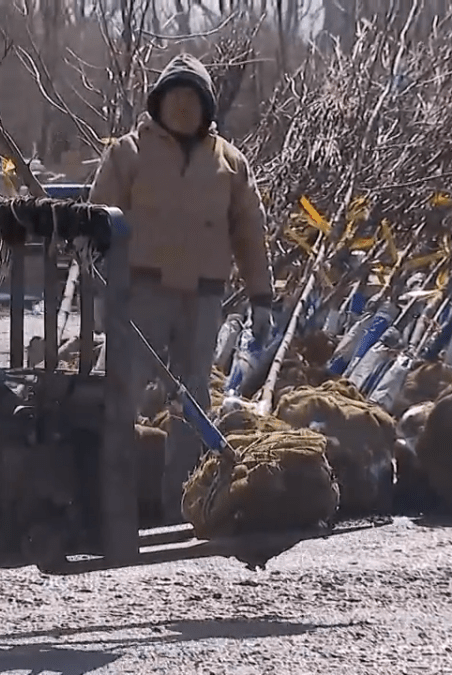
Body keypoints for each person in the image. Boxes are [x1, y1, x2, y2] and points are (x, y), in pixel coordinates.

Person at [89, 53, 275, 521]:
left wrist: (261, 298)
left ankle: (181, 501)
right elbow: (92, 227)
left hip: (202, 298)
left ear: (208, 107)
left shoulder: (230, 163)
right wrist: (96, 294)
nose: (184, 108)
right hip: (141, 295)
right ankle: (111, 500)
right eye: (176, 97)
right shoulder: (127, 153)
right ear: (158, 101)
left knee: (192, 398)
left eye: (193, 99)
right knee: (122, 393)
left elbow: (249, 232)